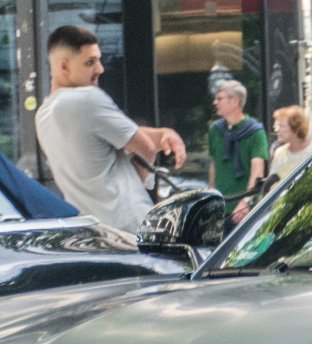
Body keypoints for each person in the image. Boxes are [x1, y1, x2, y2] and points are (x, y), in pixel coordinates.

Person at [33, 23, 185, 231]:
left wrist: (161, 134)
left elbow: (101, 138)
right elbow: (146, 147)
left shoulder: (43, 114)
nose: (100, 69)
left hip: (93, 234)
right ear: (64, 67)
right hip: (131, 226)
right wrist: (138, 182)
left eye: (98, 60)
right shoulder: (87, 98)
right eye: (90, 62)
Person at [206, 76, 271, 203]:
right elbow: (214, 165)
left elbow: (257, 171)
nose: (215, 102)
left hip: (244, 209)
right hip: (220, 205)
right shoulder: (215, 130)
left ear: (234, 101)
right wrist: (210, 196)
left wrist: (246, 201)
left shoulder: (256, 132)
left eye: (219, 98)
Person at [268, 105, 312, 181]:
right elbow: (272, 184)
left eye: (281, 126)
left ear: (295, 127)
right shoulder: (279, 153)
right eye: (276, 126)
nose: (277, 130)